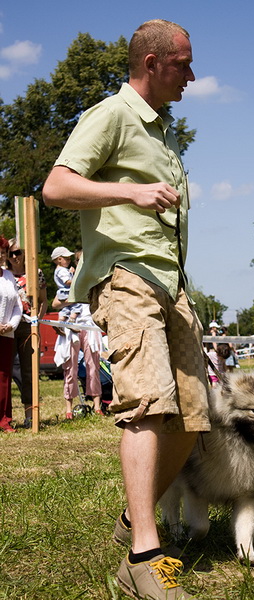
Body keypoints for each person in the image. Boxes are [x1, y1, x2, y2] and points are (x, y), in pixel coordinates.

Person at [43, 19, 208, 600]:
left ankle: (129, 517)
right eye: (184, 63)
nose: (192, 74)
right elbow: (57, 188)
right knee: (147, 407)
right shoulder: (110, 115)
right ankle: (143, 556)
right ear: (153, 62)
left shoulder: (163, 133)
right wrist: (129, 191)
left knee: (193, 417)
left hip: (172, 284)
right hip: (126, 278)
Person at [7, 238, 48, 428]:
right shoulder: (4, 275)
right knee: (6, 371)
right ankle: (5, 416)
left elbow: (43, 301)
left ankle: (30, 415)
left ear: (24, 253)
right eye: (11, 253)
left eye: (18, 252)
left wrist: (37, 321)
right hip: (6, 326)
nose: (14, 257)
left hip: (27, 327)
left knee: (28, 371)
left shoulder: (35, 274)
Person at [0, 236, 23, 433]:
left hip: (6, 334)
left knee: (4, 377)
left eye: (3, 250)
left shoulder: (8, 276)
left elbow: (17, 305)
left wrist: (12, 325)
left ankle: (5, 420)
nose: (1, 254)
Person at [51, 246, 81, 324]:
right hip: (67, 291)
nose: (69, 261)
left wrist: (71, 273)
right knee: (77, 304)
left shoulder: (60, 270)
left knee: (66, 308)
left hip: (63, 292)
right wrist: (77, 281)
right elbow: (67, 281)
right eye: (67, 259)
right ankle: (72, 319)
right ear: (59, 259)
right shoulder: (62, 271)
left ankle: (61, 321)